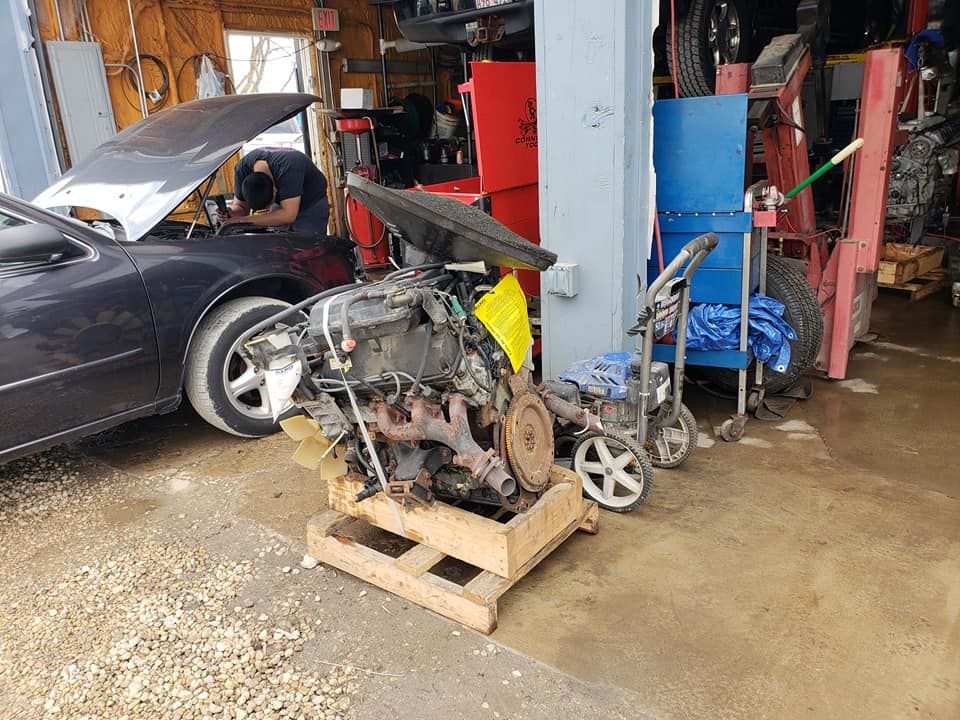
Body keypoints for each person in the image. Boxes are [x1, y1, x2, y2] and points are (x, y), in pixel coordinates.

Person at [221, 147, 330, 235]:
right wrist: (232, 214)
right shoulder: (242, 170)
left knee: (309, 249)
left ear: (275, 190)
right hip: (282, 207)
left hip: (311, 204)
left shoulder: (289, 168)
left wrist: (241, 221)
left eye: (268, 206)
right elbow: (241, 207)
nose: (268, 209)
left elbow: (288, 215)